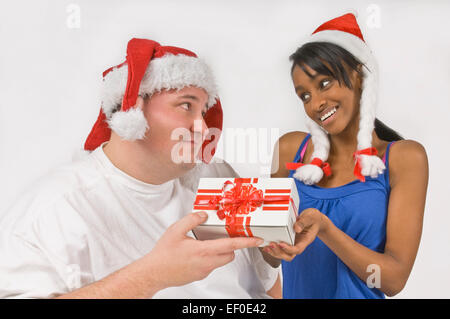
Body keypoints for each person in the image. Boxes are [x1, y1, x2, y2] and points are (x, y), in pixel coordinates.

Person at [0, 38, 281, 299]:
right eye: (186, 106)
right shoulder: (53, 210)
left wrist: (274, 251)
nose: (204, 128)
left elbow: (266, 285)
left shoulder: (217, 176)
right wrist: (152, 276)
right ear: (131, 109)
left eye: (204, 112)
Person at [265, 13, 428, 298]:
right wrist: (257, 231)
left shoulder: (403, 159)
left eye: (324, 83)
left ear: (359, 75)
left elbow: (392, 280)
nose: (316, 103)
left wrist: (326, 230)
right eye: (304, 95)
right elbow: (271, 259)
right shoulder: (291, 150)